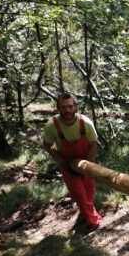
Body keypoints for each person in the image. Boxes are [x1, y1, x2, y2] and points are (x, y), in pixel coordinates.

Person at [42, 92, 102, 230]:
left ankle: (84, 213)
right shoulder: (52, 125)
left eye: (70, 106)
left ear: (75, 107)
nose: (67, 110)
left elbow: (93, 144)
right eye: (63, 107)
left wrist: (87, 164)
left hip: (87, 162)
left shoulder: (85, 123)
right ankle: (93, 221)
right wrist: (61, 161)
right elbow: (47, 145)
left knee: (90, 192)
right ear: (58, 108)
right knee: (79, 195)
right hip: (67, 164)